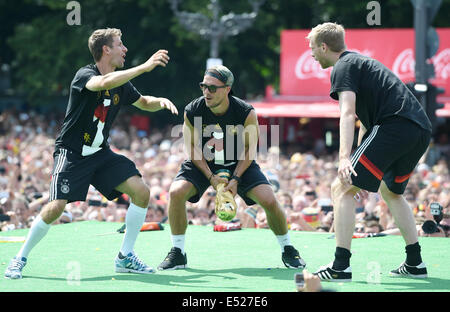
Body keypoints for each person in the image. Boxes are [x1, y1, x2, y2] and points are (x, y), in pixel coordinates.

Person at [4, 28, 178, 279]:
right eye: (120, 44)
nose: (125, 49)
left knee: (141, 191)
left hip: (100, 154)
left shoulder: (121, 83)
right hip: (72, 152)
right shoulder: (85, 75)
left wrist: (159, 100)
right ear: (106, 50)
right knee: (56, 207)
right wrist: (145, 66)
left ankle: (125, 256)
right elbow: (103, 83)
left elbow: (143, 102)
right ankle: (19, 258)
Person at [306, 22, 432, 282]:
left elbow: (347, 112)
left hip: (395, 126)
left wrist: (344, 159)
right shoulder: (360, 64)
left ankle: (340, 266)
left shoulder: (342, 67)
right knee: (391, 192)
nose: (311, 54)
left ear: (324, 46)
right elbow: (365, 122)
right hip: (419, 129)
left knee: (340, 187)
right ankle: (415, 261)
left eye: (312, 48)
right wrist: (360, 167)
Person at [157, 65, 306, 270]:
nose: (206, 92)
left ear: (227, 89)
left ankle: (288, 249)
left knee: (269, 200)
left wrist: (235, 179)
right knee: (175, 193)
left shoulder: (245, 112)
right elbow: (190, 147)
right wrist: (210, 177)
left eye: (212, 88)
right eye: (203, 86)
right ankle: (178, 252)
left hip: (239, 164)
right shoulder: (193, 109)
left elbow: (249, 149)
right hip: (204, 162)